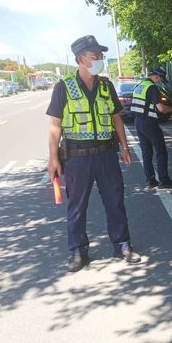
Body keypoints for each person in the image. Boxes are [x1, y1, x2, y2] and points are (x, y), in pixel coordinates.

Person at [46, 35, 141, 272]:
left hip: (106, 155)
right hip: (76, 158)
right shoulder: (63, 87)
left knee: (115, 201)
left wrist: (125, 147)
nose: (99, 60)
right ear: (81, 59)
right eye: (94, 56)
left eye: (101, 56)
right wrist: (53, 158)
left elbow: (117, 118)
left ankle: (122, 245)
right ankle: (78, 251)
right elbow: (55, 124)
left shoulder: (106, 85)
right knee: (77, 206)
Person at [131, 67, 172, 189]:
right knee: (161, 151)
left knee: (146, 152)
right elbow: (161, 108)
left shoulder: (140, 85)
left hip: (138, 122)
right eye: (161, 80)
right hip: (149, 123)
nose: (160, 82)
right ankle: (164, 180)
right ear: (157, 77)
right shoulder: (152, 87)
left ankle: (151, 180)